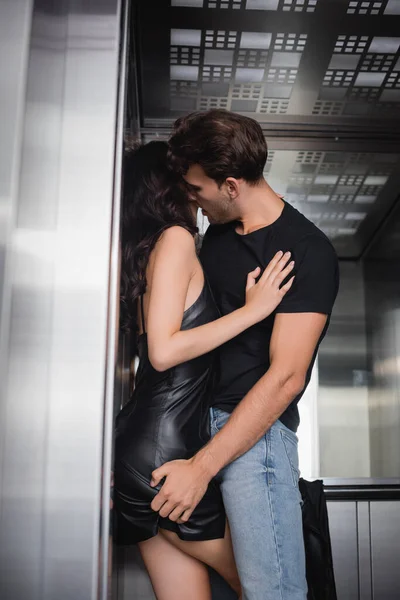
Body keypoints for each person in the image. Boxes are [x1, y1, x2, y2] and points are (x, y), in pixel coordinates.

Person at [149, 110, 340, 600]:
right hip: (194, 430)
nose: (192, 198)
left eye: (197, 189)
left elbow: (286, 378)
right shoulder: (216, 236)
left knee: (272, 593)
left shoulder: (305, 250)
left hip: (253, 443)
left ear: (230, 185)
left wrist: (203, 467)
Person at [113, 140, 295, 600]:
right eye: (189, 184)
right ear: (171, 189)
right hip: (166, 456)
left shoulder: (144, 252)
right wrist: (254, 312)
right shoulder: (174, 241)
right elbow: (163, 352)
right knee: (266, 588)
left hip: (141, 453)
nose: (199, 194)